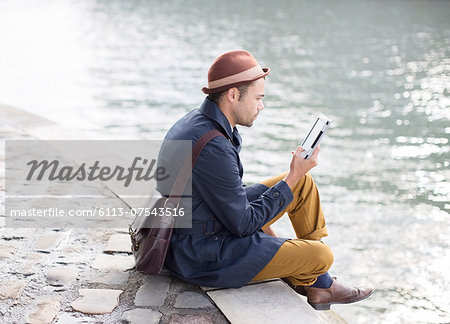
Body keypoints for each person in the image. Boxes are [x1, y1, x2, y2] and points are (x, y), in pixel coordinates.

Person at [157, 50, 372, 310]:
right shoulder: (213, 145)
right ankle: (319, 280)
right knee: (321, 254)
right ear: (233, 94)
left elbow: (227, 199)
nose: (261, 106)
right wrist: (293, 175)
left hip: (204, 225)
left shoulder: (199, 123)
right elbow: (242, 224)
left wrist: (294, 183)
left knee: (304, 184)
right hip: (202, 254)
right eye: (258, 98)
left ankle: (318, 282)